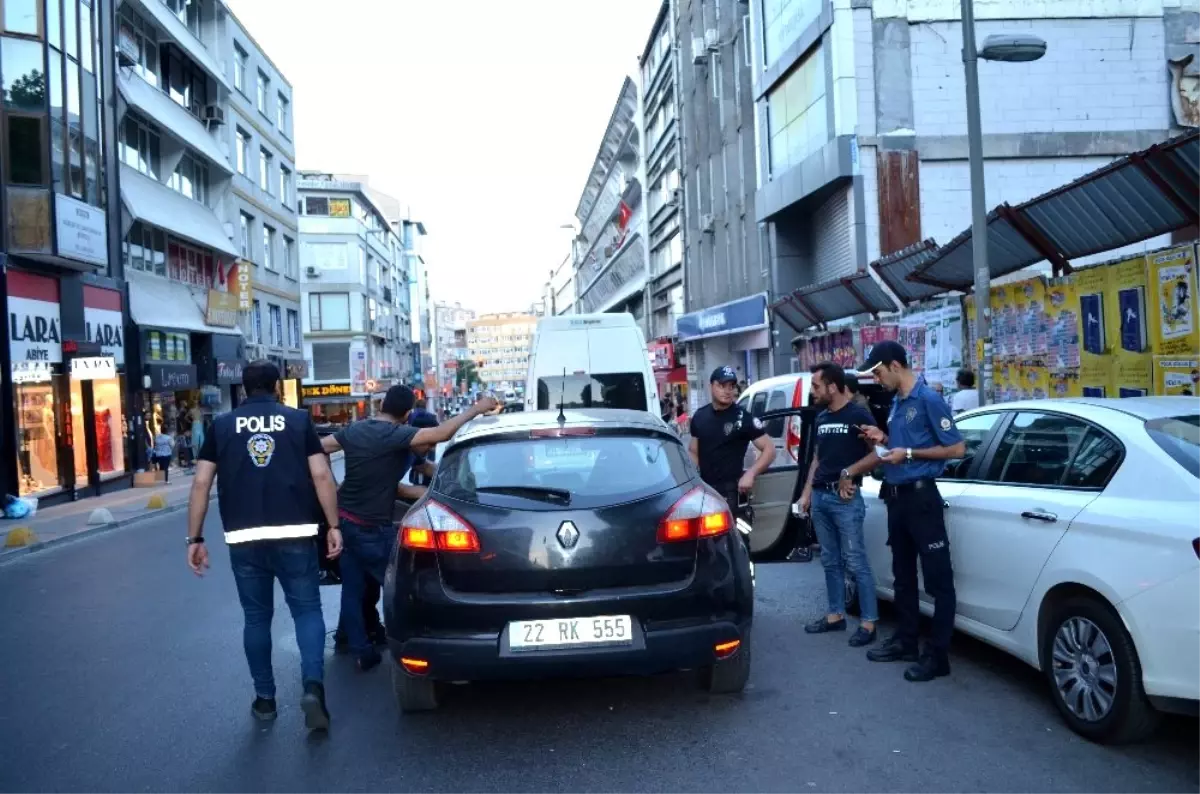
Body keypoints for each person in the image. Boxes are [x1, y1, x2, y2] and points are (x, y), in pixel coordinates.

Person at [185, 360, 343, 732]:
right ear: (276, 387)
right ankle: (313, 687)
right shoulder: (299, 421)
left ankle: (265, 699)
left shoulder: (221, 426)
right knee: (306, 612)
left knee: (256, 618)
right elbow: (321, 474)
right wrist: (333, 525)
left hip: (244, 537)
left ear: (242, 387)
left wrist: (195, 538)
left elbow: (200, 484)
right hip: (297, 533)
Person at [320, 387, 498, 671]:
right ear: (406, 415)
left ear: (382, 405)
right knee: (399, 587)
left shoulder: (354, 430)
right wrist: (476, 409)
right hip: (372, 529)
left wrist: (329, 484)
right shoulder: (395, 435)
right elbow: (440, 434)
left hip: (346, 522)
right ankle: (416, 642)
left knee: (352, 591)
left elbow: (319, 448)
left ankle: (360, 650)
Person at [857, 341, 965, 682]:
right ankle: (906, 641)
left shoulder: (928, 399)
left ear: (893, 365)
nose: (876, 379)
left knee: (938, 581)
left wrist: (910, 454)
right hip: (897, 497)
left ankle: (938, 656)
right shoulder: (897, 403)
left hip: (921, 500)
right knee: (902, 575)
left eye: (877, 372)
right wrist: (883, 438)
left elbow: (957, 448)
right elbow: (903, 447)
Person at [796, 362, 880, 647]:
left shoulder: (858, 415)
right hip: (820, 496)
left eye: (816, 386)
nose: (813, 391)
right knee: (830, 560)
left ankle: (869, 623)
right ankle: (835, 616)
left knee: (856, 561)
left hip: (845, 500)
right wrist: (806, 494)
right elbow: (817, 459)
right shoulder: (821, 418)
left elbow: (879, 454)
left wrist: (850, 472)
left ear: (832, 386)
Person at [688, 366, 776, 523]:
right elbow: (694, 451)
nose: (728, 391)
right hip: (705, 490)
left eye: (731, 386)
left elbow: (769, 450)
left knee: (737, 539)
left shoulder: (743, 418)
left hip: (732, 491)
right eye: (722, 386)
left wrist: (750, 474)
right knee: (707, 541)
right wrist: (693, 479)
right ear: (711, 386)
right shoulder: (699, 416)